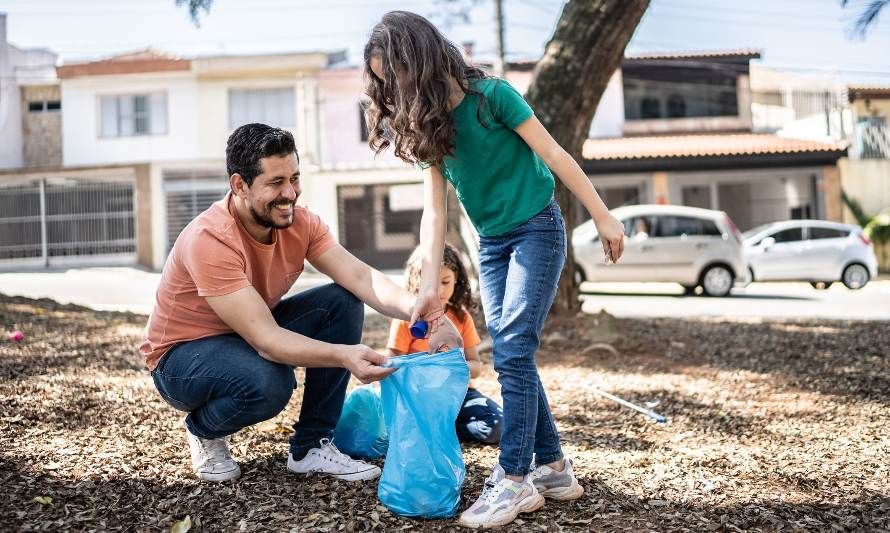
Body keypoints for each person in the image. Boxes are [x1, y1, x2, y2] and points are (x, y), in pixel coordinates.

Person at [363, 12, 626, 528]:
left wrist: (603, 213)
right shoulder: (428, 127)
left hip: (537, 228)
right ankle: (553, 468)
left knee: (510, 347)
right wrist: (427, 284)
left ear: (419, 59)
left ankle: (514, 478)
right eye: (383, 81)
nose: (391, 88)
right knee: (514, 349)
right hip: (492, 243)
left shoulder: (493, 97)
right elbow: (435, 210)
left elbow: (554, 154)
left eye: (393, 74)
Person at [140, 123, 459, 483]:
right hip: (182, 359)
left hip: (242, 334)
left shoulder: (298, 222)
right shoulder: (210, 239)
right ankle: (203, 429)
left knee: (342, 300)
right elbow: (266, 340)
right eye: (276, 182)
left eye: (294, 178)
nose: (290, 193)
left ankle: (311, 447)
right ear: (239, 185)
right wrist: (343, 355)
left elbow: (360, 277)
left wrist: (424, 310)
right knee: (269, 383)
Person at [387, 243, 503, 445]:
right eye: (429, 282)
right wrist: (423, 368)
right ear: (415, 281)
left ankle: (442, 429)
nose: (438, 290)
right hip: (418, 399)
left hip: (459, 397)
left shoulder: (461, 317)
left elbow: (476, 367)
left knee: (498, 425)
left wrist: (452, 366)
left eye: (446, 282)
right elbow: (390, 364)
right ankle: (434, 428)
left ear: (456, 281)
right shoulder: (407, 318)